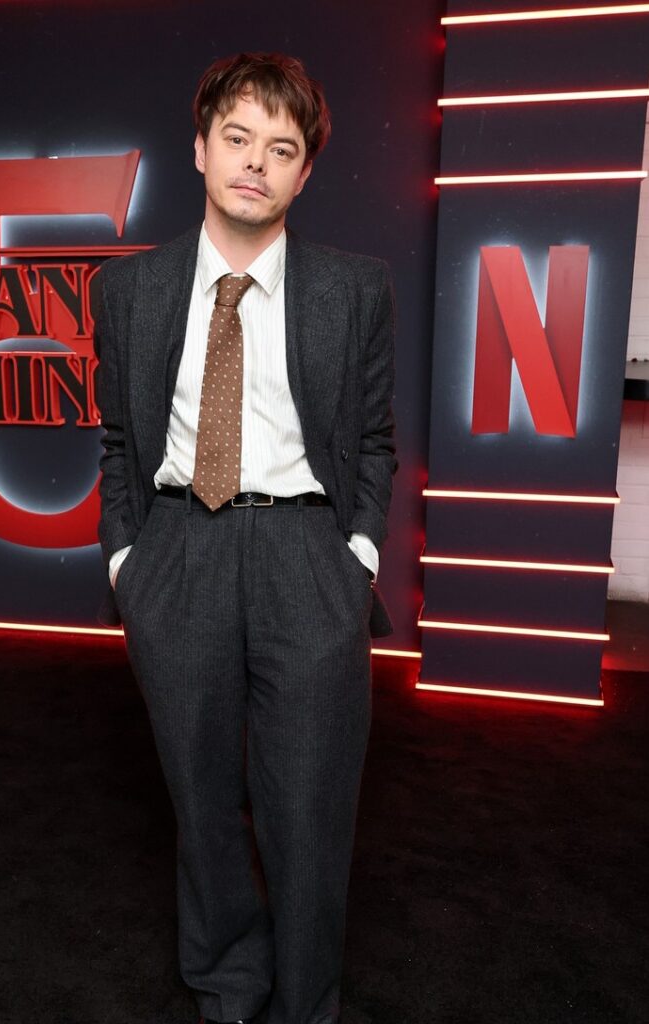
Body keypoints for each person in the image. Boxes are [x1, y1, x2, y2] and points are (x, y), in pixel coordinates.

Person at [94, 51, 396, 1024]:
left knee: (308, 807)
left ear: (303, 173)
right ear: (200, 149)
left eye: (282, 148)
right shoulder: (128, 292)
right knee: (199, 795)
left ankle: (305, 1001)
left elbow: (376, 440)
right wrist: (127, 560)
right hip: (178, 549)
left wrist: (356, 559)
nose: (255, 162)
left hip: (307, 556)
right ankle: (226, 981)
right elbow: (117, 440)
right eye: (237, 137)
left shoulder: (354, 289)